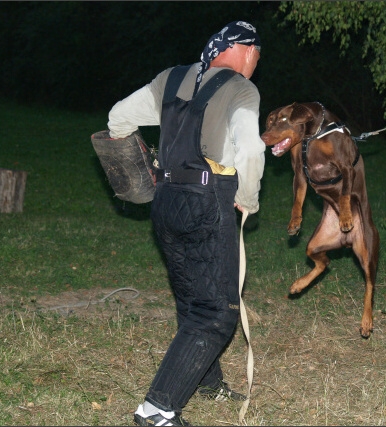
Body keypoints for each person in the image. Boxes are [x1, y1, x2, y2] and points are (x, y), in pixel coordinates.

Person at [106, 21, 265, 426]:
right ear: (245, 50)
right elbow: (249, 149)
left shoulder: (170, 78)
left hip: (166, 200)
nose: (256, 64)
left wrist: (146, 167)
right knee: (214, 313)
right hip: (208, 202)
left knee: (193, 299)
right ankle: (157, 408)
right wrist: (246, 200)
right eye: (257, 56)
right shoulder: (242, 88)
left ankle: (206, 382)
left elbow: (118, 118)